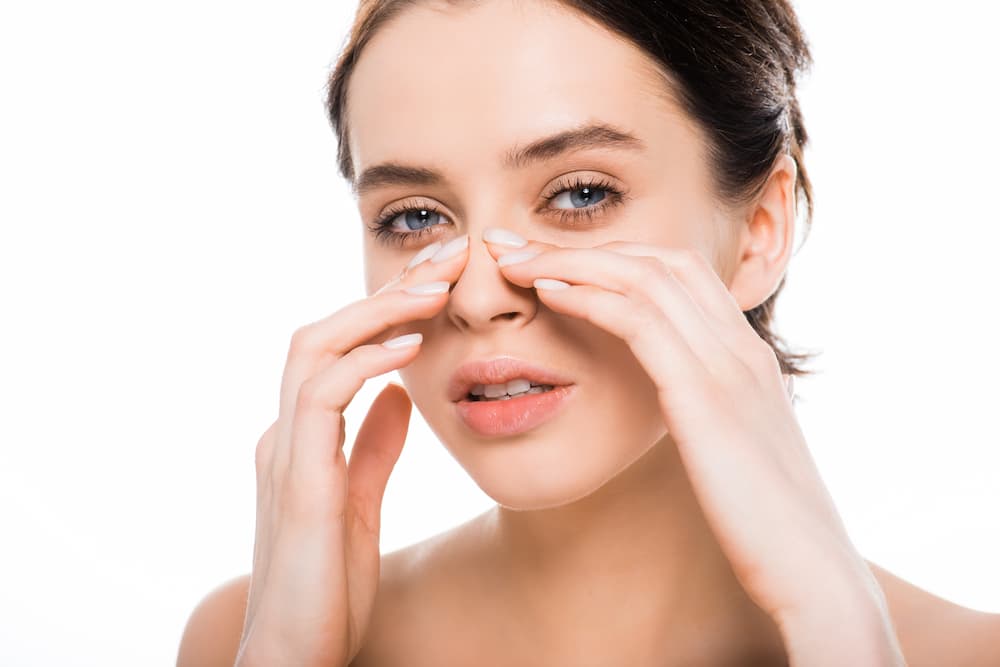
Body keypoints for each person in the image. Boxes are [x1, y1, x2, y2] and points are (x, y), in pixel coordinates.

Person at [177, 1, 1000, 665]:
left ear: (758, 230)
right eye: (415, 216)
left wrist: (838, 627)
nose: (476, 295)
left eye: (578, 195)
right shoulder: (244, 641)